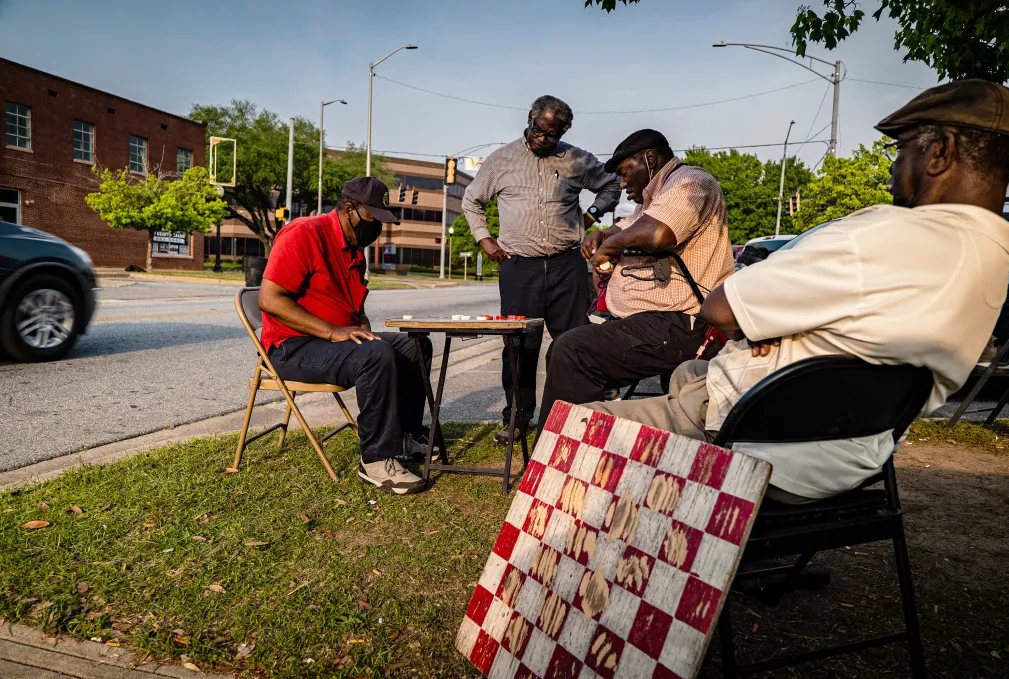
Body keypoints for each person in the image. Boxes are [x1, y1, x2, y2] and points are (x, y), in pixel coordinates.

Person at [584, 80, 1009, 504]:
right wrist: (784, 333)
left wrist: (764, 331)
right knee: (687, 375)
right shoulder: (992, 264)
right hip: (853, 458)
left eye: (900, 147)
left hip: (754, 442)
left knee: (579, 428)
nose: (892, 165)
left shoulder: (877, 235)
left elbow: (720, 308)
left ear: (941, 152)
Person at [535, 129, 734, 431]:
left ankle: (569, 455)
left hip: (685, 323)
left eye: (626, 173)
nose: (623, 184)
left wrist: (611, 246)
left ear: (650, 159)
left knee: (573, 351)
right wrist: (600, 236)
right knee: (562, 350)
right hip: (652, 321)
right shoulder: (652, 202)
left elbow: (657, 234)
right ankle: (573, 449)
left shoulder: (690, 183)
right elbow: (623, 228)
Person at [258, 177, 432, 495]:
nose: (377, 229)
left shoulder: (354, 249)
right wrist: (333, 331)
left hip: (333, 342)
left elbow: (354, 307)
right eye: (373, 219)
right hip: (290, 348)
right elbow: (269, 300)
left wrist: (361, 327)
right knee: (375, 354)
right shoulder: (304, 233)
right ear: (350, 210)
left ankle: (404, 436)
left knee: (413, 343)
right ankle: (377, 460)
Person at [462, 95, 620, 445]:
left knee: (574, 344)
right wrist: (485, 240)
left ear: (563, 131)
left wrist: (591, 216)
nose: (543, 139)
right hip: (519, 268)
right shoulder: (501, 159)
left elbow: (612, 184)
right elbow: (472, 200)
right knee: (519, 347)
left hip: (568, 265)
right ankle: (517, 419)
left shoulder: (577, 159)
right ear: (530, 118)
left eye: (552, 134)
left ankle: (575, 417)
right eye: (539, 130)